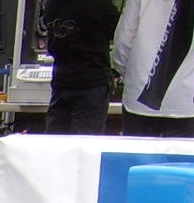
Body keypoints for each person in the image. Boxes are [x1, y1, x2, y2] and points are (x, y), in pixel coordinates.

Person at [115, 0, 194, 135]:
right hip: (185, 99)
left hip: (140, 93)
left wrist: (126, 72)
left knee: (138, 155)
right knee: (182, 155)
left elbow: (125, 38)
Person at [44, 0, 121, 133]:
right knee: (86, 146)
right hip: (91, 83)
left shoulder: (53, 4)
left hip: (61, 80)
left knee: (54, 146)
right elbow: (119, 32)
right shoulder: (100, 6)